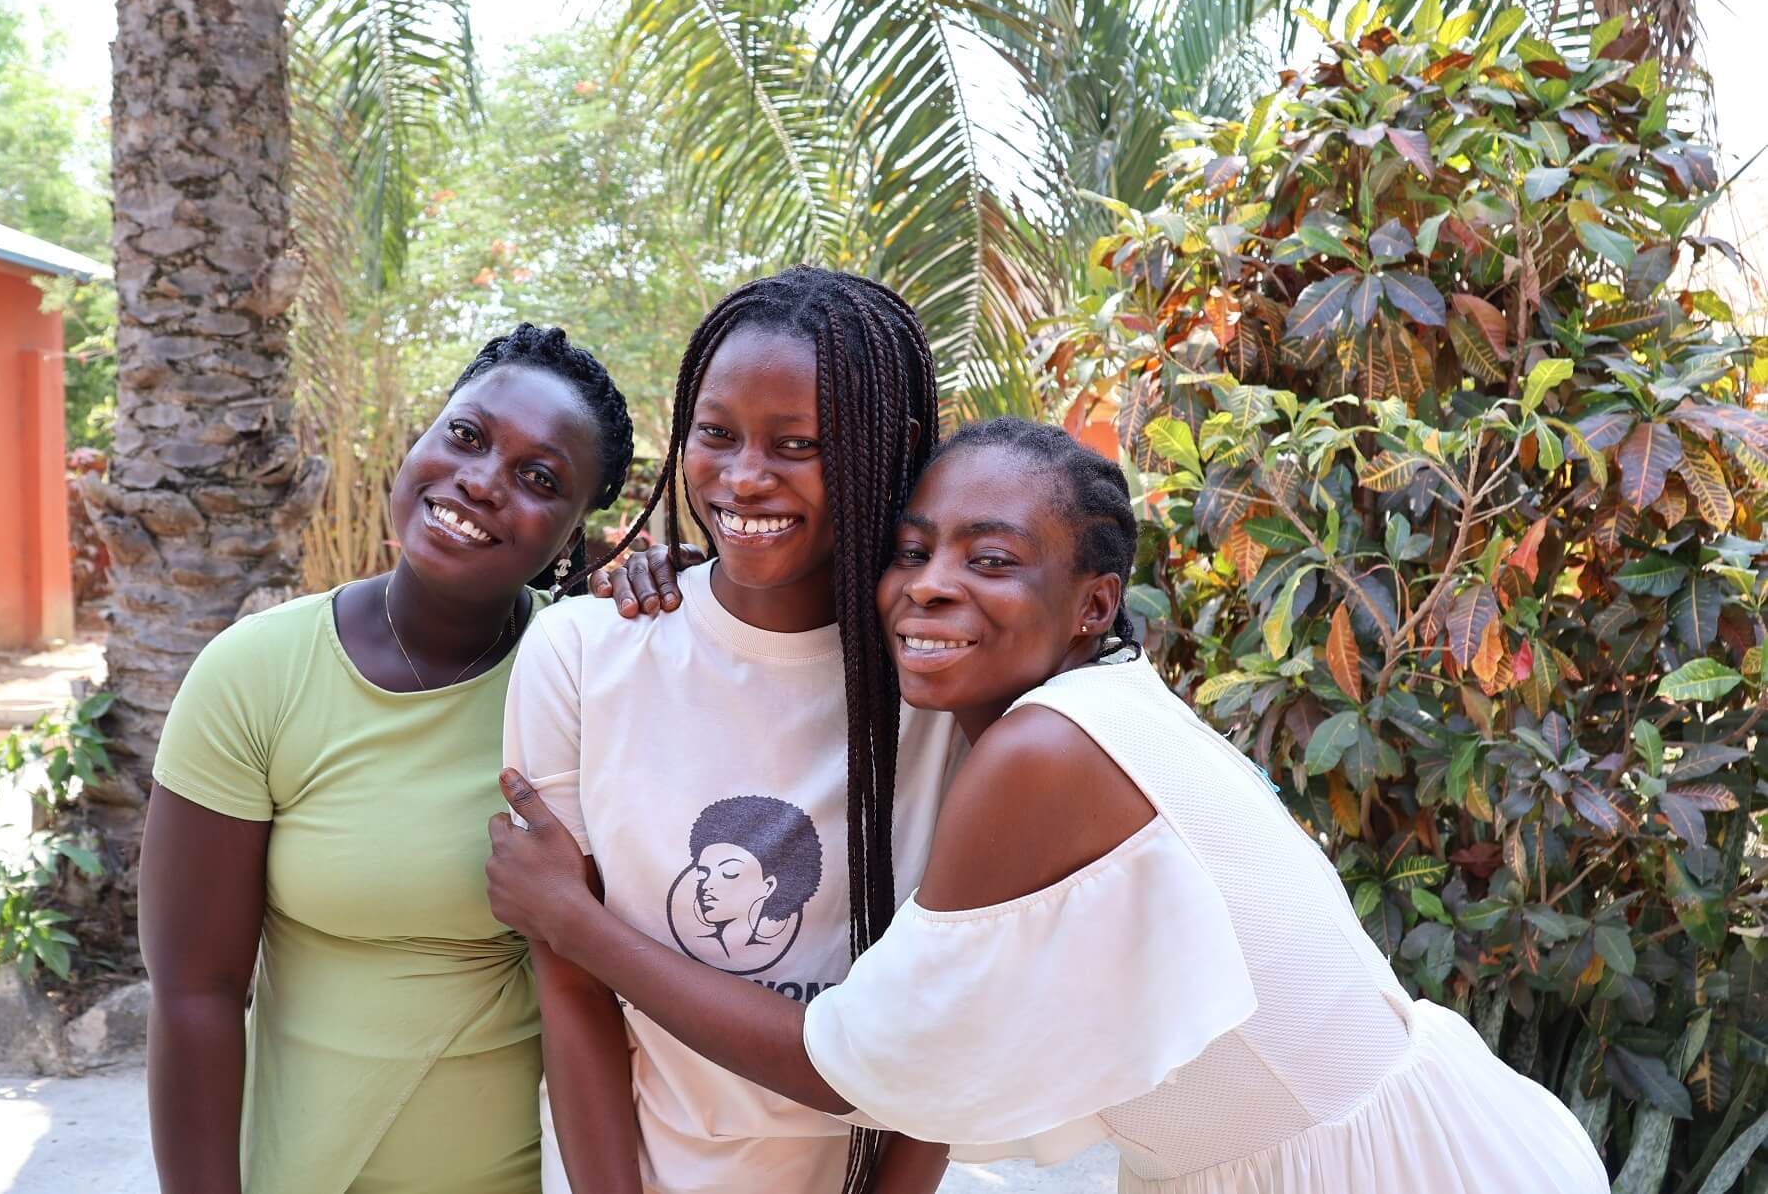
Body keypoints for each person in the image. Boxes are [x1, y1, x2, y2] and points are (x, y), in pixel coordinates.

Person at [487, 417, 1613, 1194]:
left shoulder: (1044, 752)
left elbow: (848, 1065)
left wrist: (575, 922)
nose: (930, 584)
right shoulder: (1094, 703)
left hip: (1372, 1168)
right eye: (911, 550)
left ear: (1092, 604)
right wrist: (701, 581)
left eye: (991, 559)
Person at [139, 324, 637, 1194]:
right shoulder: (255, 673)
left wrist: (678, 596)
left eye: (539, 478)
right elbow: (196, 998)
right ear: (420, 439)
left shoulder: (592, 680)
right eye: (467, 436)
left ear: (572, 538)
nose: (481, 481)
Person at [499, 265, 966, 1194]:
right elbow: (572, 982)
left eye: (799, 444)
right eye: (715, 434)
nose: (744, 477)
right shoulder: (581, 652)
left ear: (893, 446)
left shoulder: (945, 686)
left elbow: (949, 1030)